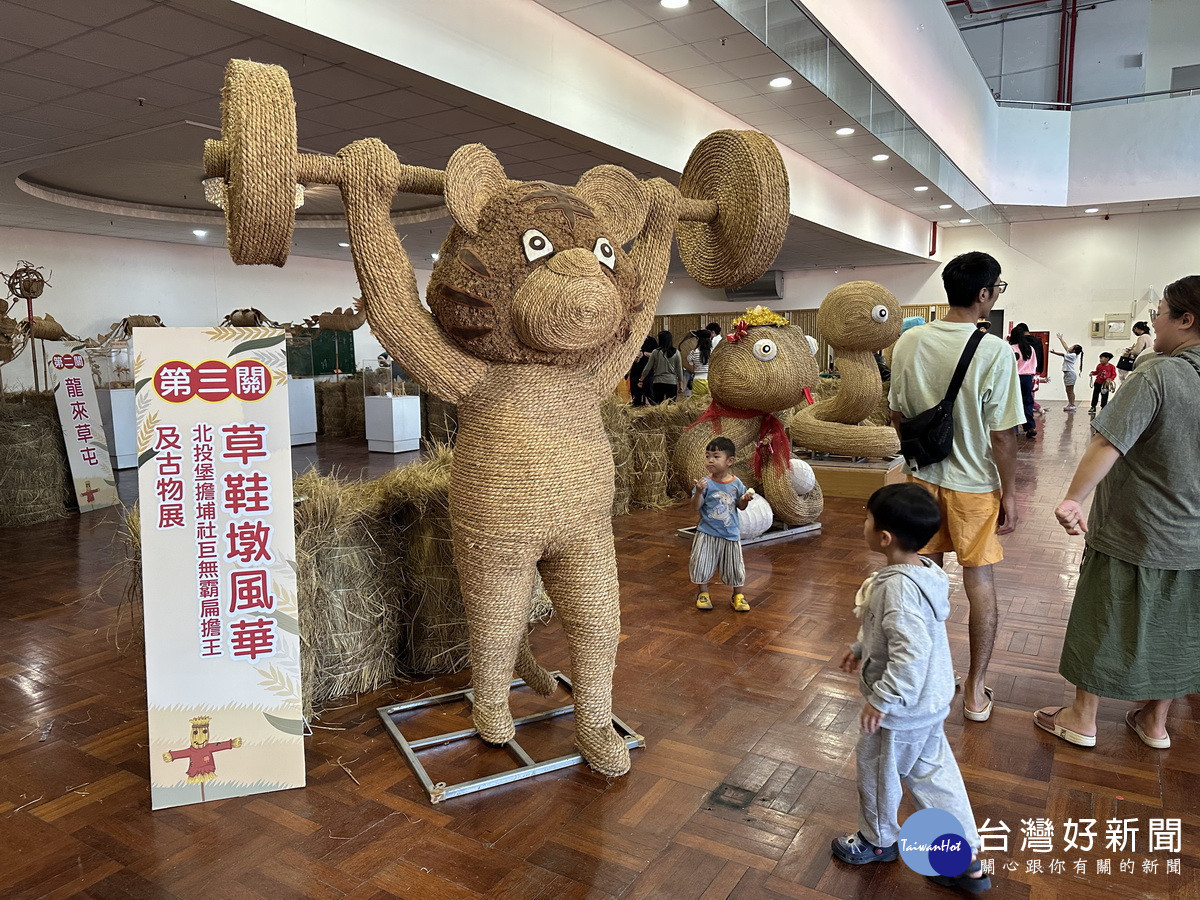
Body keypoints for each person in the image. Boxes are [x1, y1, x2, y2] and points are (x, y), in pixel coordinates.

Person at [1035, 276, 1200, 750]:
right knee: (1176, 625)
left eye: (1161, 312)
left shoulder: (1159, 374)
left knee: (1104, 614)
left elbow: (1108, 441)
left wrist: (1073, 498)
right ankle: (1154, 722)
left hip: (1136, 528)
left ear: (1186, 320)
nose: (1155, 321)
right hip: (1191, 540)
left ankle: (1082, 716)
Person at [833, 484, 990, 893]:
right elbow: (892, 633)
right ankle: (966, 857)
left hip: (901, 711)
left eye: (867, 518)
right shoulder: (925, 573)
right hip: (930, 702)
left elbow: (910, 652)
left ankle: (878, 839)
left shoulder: (895, 589)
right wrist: (860, 648)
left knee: (878, 772)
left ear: (884, 538)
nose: (863, 524)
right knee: (934, 775)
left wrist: (883, 700)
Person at [889, 251, 1024, 723]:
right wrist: (1010, 493)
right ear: (984, 294)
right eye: (997, 289)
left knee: (922, 581)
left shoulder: (908, 343)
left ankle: (929, 675)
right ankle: (974, 691)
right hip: (973, 487)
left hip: (921, 479)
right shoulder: (994, 351)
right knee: (979, 583)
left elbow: (899, 416)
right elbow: (1004, 436)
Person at [690, 437, 753, 612]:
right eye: (707, 456)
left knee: (735, 566)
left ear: (729, 461)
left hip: (730, 533)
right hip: (707, 532)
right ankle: (703, 593)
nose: (710, 460)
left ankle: (737, 595)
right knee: (701, 562)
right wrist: (699, 492)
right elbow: (696, 507)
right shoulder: (705, 483)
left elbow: (740, 506)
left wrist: (745, 499)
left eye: (716, 456)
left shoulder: (736, 483)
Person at [1007, 322, 1039, 438]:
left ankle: (1014, 429)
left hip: (1014, 378)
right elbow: (1034, 364)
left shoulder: (1010, 348)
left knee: (1013, 403)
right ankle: (1029, 427)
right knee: (1027, 402)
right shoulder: (1030, 349)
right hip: (1027, 378)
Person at [639, 329, 684, 404]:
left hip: (658, 382)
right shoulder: (676, 352)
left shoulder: (655, 352)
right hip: (671, 382)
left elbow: (647, 367)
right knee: (671, 405)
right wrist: (680, 384)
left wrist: (641, 379)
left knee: (658, 405)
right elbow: (679, 370)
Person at [1049, 333, 1083, 411]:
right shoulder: (1072, 353)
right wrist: (1060, 339)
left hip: (1070, 374)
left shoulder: (1073, 355)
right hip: (1068, 374)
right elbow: (1066, 347)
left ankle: (1072, 404)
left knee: (1070, 390)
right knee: (1068, 390)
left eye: (1072, 347)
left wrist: (1054, 352)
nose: (1069, 347)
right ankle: (1071, 404)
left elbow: (1062, 354)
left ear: (1074, 350)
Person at [628, 335, 657, 407]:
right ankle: (636, 405)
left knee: (649, 393)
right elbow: (627, 354)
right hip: (635, 370)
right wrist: (635, 357)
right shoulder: (633, 339)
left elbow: (656, 355)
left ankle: (651, 407)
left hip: (648, 371)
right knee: (635, 393)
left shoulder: (651, 340)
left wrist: (644, 354)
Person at [684, 329, 713, 397]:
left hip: (698, 380)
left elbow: (689, 361)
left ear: (698, 339)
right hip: (710, 381)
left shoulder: (694, 352)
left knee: (697, 403)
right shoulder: (713, 351)